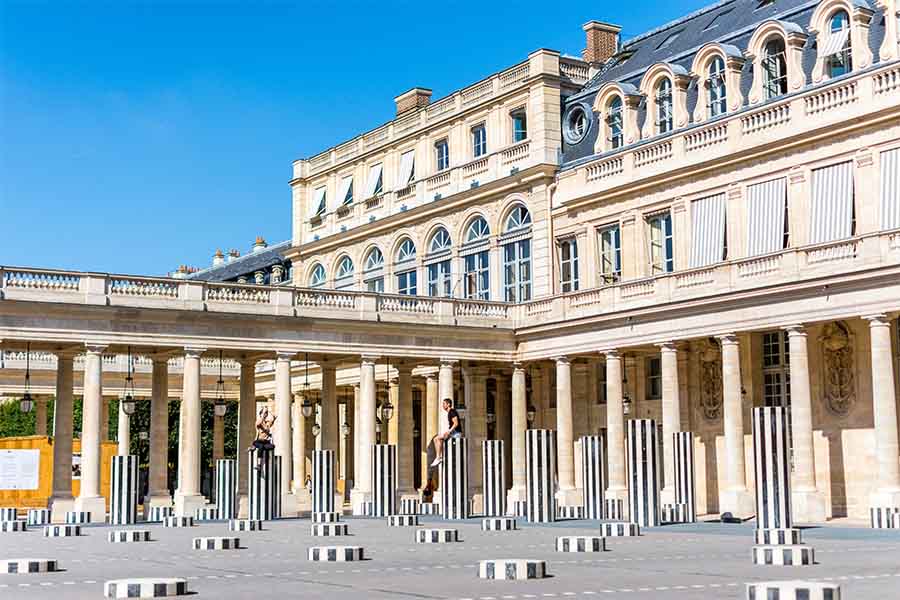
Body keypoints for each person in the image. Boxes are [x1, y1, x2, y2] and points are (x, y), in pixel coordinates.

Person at [431, 398, 462, 466]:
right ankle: (439, 456)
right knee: (437, 439)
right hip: (454, 432)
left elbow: (456, 423)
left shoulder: (452, 412)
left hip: (455, 433)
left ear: (448, 404)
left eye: (444, 404)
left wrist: (449, 432)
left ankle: (439, 457)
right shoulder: (450, 412)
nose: (443, 405)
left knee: (437, 439)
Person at [252, 406, 277, 471]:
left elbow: (273, 419)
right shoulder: (259, 421)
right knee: (261, 446)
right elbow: (258, 424)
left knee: (272, 446)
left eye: (266, 413)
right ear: (261, 414)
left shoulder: (267, 423)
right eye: (264, 413)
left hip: (266, 442)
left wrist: (270, 413)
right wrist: (262, 416)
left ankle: (268, 465)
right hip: (259, 441)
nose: (265, 414)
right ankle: (259, 465)